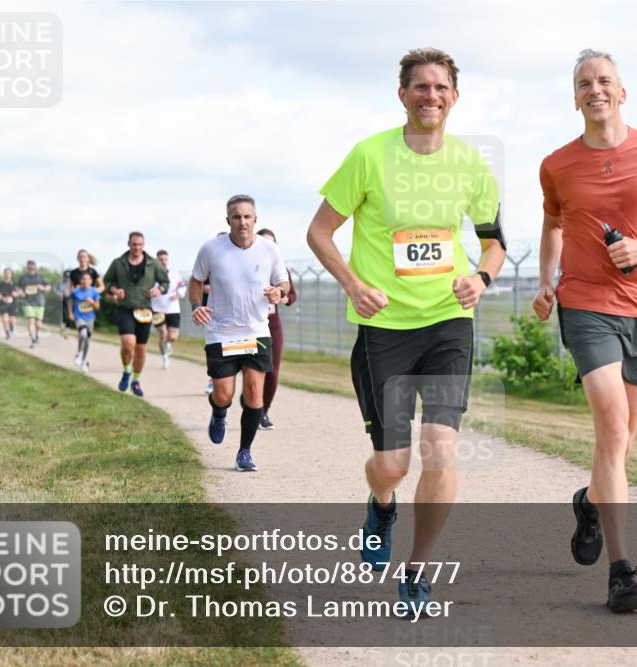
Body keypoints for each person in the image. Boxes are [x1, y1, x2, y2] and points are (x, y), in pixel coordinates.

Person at [306, 48, 506, 613]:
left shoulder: (471, 165)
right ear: (403, 95)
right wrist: (352, 285)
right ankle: (382, 503)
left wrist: (482, 278)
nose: (431, 96)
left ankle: (417, 571)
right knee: (392, 463)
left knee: (441, 450)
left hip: (447, 322)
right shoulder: (369, 157)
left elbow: (493, 241)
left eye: (441, 88)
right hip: (384, 329)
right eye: (420, 87)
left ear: (455, 98)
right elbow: (319, 233)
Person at [533, 48, 637, 613]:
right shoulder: (556, 164)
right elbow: (552, 225)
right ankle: (622, 572)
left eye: (604, 81)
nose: (594, 89)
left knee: (620, 443)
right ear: (575, 98)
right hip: (585, 303)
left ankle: (590, 502)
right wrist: (548, 280)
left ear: (622, 92)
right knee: (613, 426)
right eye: (583, 83)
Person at [190, 195, 290, 472]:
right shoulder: (211, 249)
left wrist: (278, 291)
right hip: (221, 332)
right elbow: (196, 280)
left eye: (247, 217)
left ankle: (244, 452)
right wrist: (197, 306)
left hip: (257, 331)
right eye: (236, 217)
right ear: (228, 220)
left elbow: (284, 281)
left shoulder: (269, 250)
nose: (242, 222)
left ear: (255, 220)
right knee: (224, 394)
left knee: (255, 393)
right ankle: (219, 412)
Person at [103, 232, 169, 397]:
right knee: (128, 343)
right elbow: (107, 281)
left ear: (143, 245)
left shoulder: (153, 264)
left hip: (145, 310)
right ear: (129, 244)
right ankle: (126, 370)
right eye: (134, 244)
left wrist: (159, 290)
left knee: (140, 348)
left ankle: (136, 380)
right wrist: (115, 290)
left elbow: (165, 282)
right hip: (125, 308)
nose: (137, 247)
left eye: (140, 244)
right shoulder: (118, 263)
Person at [252, 228, 297, 430]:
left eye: (272, 243)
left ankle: (263, 412)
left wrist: (285, 297)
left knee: (273, 370)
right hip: (249, 324)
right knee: (251, 369)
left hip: (272, 324)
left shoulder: (281, 270)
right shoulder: (248, 265)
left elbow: (292, 294)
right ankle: (251, 400)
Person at [151, 249, 187, 370]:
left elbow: (182, 287)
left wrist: (178, 294)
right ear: (157, 261)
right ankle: (165, 357)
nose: (164, 262)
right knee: (162, 333)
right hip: (157, 309)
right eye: (161, 260)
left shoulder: (174, 274)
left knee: (172, 337)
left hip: (173, 309)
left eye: (165, 259)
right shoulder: (151, 275)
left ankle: (168, 344)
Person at [70, 271, 100, 373]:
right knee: (83, 334)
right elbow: (70, 301)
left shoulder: (94, 292)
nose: (85, 281)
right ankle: (79, 352)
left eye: (88, 279)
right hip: (79, 317)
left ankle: (84, 361)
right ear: (80, 281)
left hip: (90, 318)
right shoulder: (75, 292)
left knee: (87, 339)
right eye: (83, 279)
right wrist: (70, 313)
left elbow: (97, 307)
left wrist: (93, 302)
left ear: (91, 281)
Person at [16, 260, 50, 347]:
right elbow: (18, 288)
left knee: (38, 324)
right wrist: (21, 292)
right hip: (27, 301)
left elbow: (48, 287)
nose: (31, 269)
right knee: (31, 321)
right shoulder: (23, 278)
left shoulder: (40, 277)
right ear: (27, 268)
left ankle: (36, 334)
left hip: (39, 302)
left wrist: (43, 288)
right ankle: (33, 340)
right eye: (29, 267)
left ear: (35, 268)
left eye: (32, 267)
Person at [0, 268, 19, 340]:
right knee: (5, 319)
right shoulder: (1, 284)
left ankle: (12, 326)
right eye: (6, 273)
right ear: (4, 274)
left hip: (13, 304)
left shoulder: (15, 283)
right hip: (3, 303)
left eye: (9, 273)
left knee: (12, 320)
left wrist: (16, 294)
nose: (8, 275)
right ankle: (7, 333)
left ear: (11, 274)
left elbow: (20, 292)